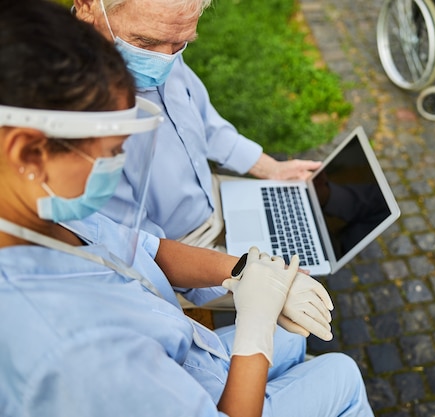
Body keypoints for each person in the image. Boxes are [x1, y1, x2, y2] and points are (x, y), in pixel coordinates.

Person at [0, 1, 375, 416]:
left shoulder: (41, 205)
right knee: (341, 372)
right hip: (192, 379)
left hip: (190, 349)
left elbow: (140, 245)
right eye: (111, 151)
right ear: (29, 153)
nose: (165, 59)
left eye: (179, 44)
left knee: (295, 335)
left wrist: (246, 272)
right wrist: (253, 330)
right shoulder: (72, 351)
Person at [73, 0, 324, 251]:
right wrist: (234, 273)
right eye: (145, 43)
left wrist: (271, 169)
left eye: (180, 44)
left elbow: (203, 120)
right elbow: (139, 248)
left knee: (326, 208)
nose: (164, 60)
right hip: (179, 248)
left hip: (213, 196)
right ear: (87, 6)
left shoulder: (159, 39)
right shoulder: (67, 109)